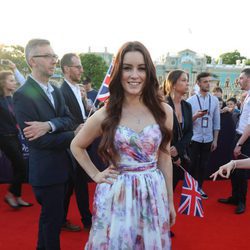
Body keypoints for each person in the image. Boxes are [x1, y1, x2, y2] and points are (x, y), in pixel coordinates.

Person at [70, 41, 176, 249]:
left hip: (152, 193)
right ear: (118, 73)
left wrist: (170, 201)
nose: (134, 75)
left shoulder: (164, 112)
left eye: (141, 68)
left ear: (149, 73)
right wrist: (95, 175)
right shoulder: (105, 114)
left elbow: (164, 157)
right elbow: (77, 145)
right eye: (127, 68)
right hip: (117, 194)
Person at [13, 39, 77, 250]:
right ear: (33, 61)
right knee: (51, 223)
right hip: (46, 172)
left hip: (63, 167)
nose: (54, 60)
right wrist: (72, 135)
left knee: (51, 220)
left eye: (54, 56)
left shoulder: (56, 90)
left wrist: (49, 124)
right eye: (48, 56)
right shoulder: (22, 95)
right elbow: (39, 141)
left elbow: (69, 120)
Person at [60, 53, 92, 231]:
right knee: (78, 184)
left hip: (82, 143)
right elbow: (63, 118)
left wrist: (88, 107)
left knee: (71, 185)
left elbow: (80, 115)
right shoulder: (61, 91)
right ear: (66, 69)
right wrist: (77, 127)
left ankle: (61, 219)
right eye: (77, 66)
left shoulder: (78, 89)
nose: (81, 70)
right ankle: (88, 221)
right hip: (71, 146)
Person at [218, 68, 250, 214]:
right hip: (239, 136)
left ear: (249, 79)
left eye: (241, 78)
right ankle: (235, 197)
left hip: (245, 139)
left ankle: (241, 201)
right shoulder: (246, 96)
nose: (238, 80)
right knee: (235, 169)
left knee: (241, 171)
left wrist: (239, 144)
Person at [0, 70, 32, 208]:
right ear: (2, 82)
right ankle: (9, 194)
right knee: (21, 166)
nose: (14, 82)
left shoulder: (13, 98)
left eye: (14, 80)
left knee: (17, 167)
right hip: (4, 138)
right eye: (11, 80)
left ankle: (17, 197)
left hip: (15, 136)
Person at [187, 72, 220, 199]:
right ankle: (190, 188)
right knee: (192, 164)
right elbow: (186, 123)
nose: (208, 84)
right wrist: (195, 116)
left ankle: (199, 187)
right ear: (198, 83)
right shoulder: (190, 101)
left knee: (203, 165)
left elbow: (217, 121)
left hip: (208, 139)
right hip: (194, 138)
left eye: (209, 81)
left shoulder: (215, 100)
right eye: (205, 81)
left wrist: (215, 140)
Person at [163, 70, 193, 190]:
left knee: (171, 188)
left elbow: (190, 131)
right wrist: (172, 154)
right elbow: (160, 132)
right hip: (163, 157)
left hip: (180, 158)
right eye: (184, 80)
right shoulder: (162, 104)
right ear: (173, 84)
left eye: (187, 80)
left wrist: (178, 149)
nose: (187, 84)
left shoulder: (187, 106)